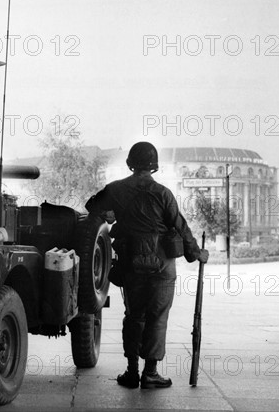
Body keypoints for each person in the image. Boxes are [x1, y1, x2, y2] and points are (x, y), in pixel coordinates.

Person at [85, 142, 209, 389]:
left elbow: (91, 207)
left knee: (133, 316)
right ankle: (150, 373)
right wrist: (197, 253)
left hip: (131, 265)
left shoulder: (116, 189)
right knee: (157, 318)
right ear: (153, 166)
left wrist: (109, 215)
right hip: (162, 267)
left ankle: (131, 372)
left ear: (131, 163)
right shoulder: (163, 193)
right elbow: (181, 227)